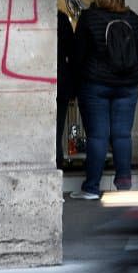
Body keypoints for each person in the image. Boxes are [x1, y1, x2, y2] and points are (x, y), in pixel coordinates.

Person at [72, 0, 138, 200]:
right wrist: (133, 78)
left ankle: (92, 187)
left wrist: (78, 83)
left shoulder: (89, 18)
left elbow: (78, 56)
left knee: (98, 136)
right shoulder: (132, 18)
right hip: (127, 86)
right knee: (122, 135)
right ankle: (123, 183)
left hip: (95, 85)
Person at [56, 9, 76, 169]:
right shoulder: (61, 19)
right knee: (57, 131)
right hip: (60, 83)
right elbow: (72, 53)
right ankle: (57, 165)